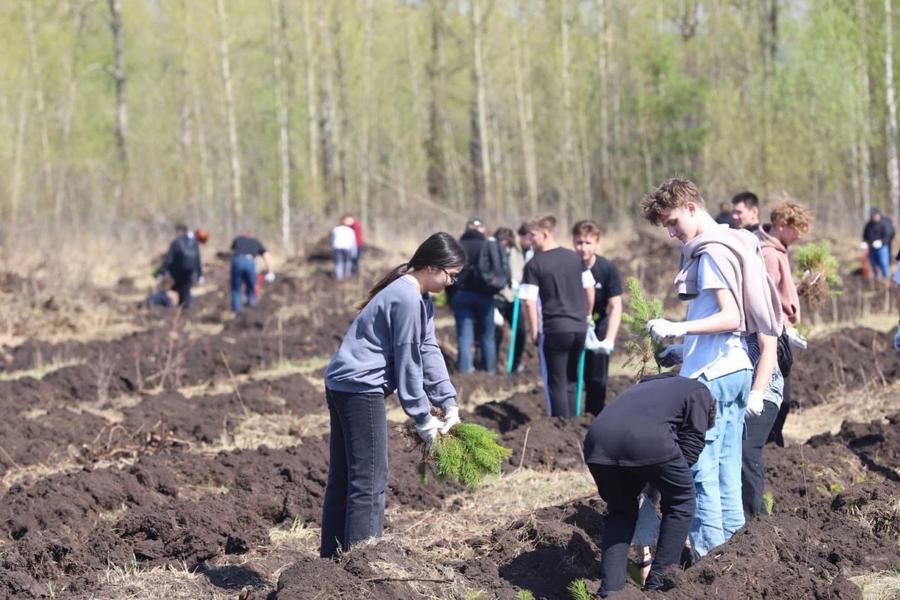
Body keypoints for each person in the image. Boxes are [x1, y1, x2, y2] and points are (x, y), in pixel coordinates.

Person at [641, 178, 781, 558]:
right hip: (735, 370)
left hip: (711, 379)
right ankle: (740, 561)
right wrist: (684, 349)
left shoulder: (711, 253)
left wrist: (678, 327)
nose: (671, 233)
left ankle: (711, 569)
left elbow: (729, 316)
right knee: (726, 471)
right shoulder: (735, 240)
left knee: (702, 477)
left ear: (690, 207)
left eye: (672, 222)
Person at [320, 232, 465, 558]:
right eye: (451, 276)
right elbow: (407, 360)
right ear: (431, 266)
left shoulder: (417, 296)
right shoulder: (405, 297)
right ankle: (361, 565)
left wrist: (447, 399)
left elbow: (427, 348)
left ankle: (330, 561)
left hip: (344, 384)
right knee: (370, 479)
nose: (451, 283)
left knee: (346, 477)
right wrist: (422, 418)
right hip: (359, 389)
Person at [583, 373, 716, 595]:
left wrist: (656, 479)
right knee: (681, 503)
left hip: (598, 442)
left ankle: (611, 593)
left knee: (621, 512)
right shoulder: (701, 392)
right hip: (648, 442)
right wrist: (668, 486)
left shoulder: (647, 387)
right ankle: (659, 588)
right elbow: (691, 444)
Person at [519, 215, 595, 418]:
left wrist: (534, 332)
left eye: (533, 235)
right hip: (579, 329)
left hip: (554, 330)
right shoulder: (575, 258)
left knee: (556, 382)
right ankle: (573, 424)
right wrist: (586, 316)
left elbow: (528, 301)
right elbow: (589, 289)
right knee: (572, 379)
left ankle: (560, 427)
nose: (530, 239)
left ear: (545, 234)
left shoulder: (534, 264)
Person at [756, 201, 814, 447]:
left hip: (779, 334)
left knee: (782, 399)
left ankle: (771, 444)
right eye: (796, 228)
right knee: (778, 400)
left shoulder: (778, 250)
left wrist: (798, 290)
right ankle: (768, 448)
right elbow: (764, 300)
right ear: (781, 225)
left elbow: (778, 295)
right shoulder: (770, 254)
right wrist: (785, 329)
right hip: (773, 337)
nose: (799, 235)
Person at [572, 220, 623, 414]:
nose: (583, 248)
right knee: (574, 376)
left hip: (598, 326)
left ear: (596, 243)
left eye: (587, 243)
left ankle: (594, 417)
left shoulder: (606, 268)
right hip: (574, 326)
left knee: (597, 380)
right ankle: (569, 420)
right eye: (579, 242)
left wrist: (608, 340)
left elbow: (615, 305)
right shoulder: (569, 266)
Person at [450, 218, 508, 374]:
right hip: (485, 295)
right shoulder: (487, 245)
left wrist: (451, 298)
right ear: (481, 229)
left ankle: (465, 370)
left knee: (464, 335)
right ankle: (490, 370)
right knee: (487, 336)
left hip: (461, 294)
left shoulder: (457, 246)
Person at [493, 227, 528, 374]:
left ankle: (515, 364)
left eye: (507, 242)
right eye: (501, 242)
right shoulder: (492, 252)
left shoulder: (518, 251)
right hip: (497, 297)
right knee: (496, 333)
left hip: (514, 298)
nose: (504, 246)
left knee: (520, 332)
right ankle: (492, 365)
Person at [156, 223, 204, 308]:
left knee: (176, 292)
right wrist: (200, 275)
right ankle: (186, 310)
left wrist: (161, 273)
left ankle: (177, 310)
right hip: (190, 274)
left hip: (177, 275)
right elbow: (198, 260)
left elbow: (168, 259)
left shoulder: (176, 243)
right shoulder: (194, 243)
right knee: (185, 292)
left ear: (179, 231)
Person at [229, 232, 275, 312]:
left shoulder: (238, 239)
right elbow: (267, 256)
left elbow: (232, 250)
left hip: (237, 260)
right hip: (250, 262)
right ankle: (251, 307)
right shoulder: (256, 242)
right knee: (251, 285)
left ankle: (237, 311)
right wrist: (270, 272)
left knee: (236, 287)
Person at [863, 208, 892, 280]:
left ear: (878, 215)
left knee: (884, 263)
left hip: (882, 247)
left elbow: (888, 235)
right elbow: (865, 235)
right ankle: (877, 278)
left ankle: (886, 277)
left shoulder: (885, 223)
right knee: (874, 264)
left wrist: (881, 242)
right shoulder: (868, 225)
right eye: (872, 216)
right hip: (872, 248)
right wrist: (865, 242)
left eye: (875, 216)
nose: (874, 217)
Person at [331, 215, 358, 281]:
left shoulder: (335, 229)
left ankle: (339, 277)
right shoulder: (350, 230)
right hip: (347, 247)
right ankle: (347, 276)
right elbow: (353, 242)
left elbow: (333, 239)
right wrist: (354, 251)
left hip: (337, 247)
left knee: (339, 262)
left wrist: (333, 247)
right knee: (347, 262)